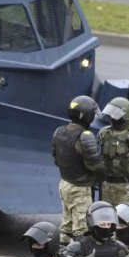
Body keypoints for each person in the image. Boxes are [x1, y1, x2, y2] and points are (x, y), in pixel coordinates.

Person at [52, 95, 104, 245]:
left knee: (66, 228)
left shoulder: (59, 131)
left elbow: (56, 159)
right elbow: (95, 165)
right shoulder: (85, 136)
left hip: (64, 184)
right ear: (86, 116)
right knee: (82, 232)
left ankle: (62, 256)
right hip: (80, 189)